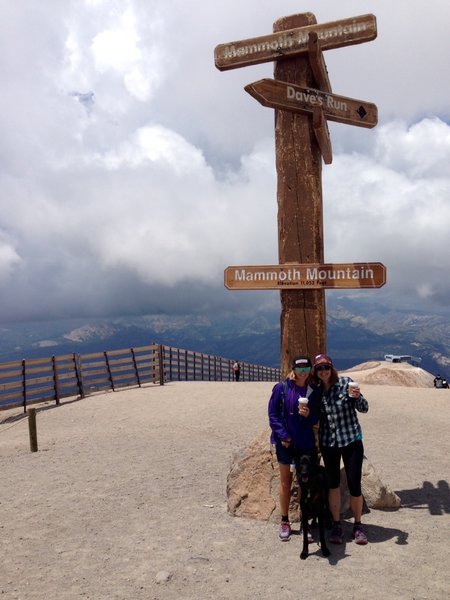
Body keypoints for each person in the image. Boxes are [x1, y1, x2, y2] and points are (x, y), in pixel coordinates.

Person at [311, 353, 369, 546]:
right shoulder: (317, 391)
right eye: (319, 368)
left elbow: (364, 408)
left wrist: (358, 397)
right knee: (333, 484)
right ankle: (337, 524)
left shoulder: (346, 383)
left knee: (354, 484)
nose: (323, 371)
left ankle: (358, 524)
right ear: (315, 371)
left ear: (332, 368)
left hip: (351, 440)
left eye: (326, 367)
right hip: (329, 443)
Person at [268, 355, 320, 541]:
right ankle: (285, 520)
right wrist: (283, 435)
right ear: (293, 369)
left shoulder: (313, 391)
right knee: (285, 483)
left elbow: (316, 418)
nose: (303, 372)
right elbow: (273, 414)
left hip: (305, 444)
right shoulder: (281, 388)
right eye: (300, 369)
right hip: (286, 444)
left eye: (307, 368)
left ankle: (306, 522)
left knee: (306, 485)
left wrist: (309, 414)